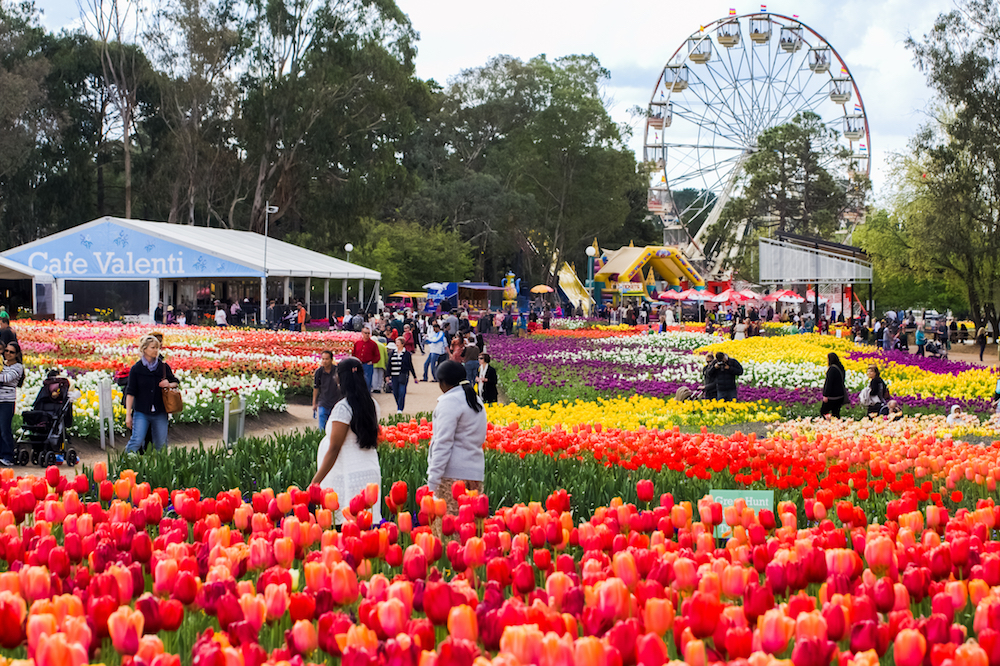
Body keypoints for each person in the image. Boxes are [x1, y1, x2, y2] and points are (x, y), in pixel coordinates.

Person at [311, 357, 381, 525]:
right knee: (365, 529)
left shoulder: (344, 407)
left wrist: (315, 483)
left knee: (347, 528)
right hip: (369, 470)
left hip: (347, 473)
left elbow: (334, 448)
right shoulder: (372, 404)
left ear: (340, 378)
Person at [427, 360, 487, 521]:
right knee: (470, 529)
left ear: (443, 382)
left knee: (449, 530)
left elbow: (442, 443)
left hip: (452, 476)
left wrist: (432, 480)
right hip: (474, 473)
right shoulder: (475, 400)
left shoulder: (449, 402)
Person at [124, 335, 179, 454]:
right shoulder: (137, 369)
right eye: (153, 347)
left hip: (160, 411)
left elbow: (176, 382)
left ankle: (160, 469)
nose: (156, 351)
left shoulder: (163, 367)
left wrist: (168, 384)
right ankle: (124, 465)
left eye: (157, 348)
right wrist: (128, 415)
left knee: (161, 444)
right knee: (136, 441)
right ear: (144, 349)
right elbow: (130, 392)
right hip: (141, 412)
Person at [0, 341, 25, 466]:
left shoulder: (18, 367)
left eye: (11, 352)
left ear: (17, 354)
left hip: (7, 402)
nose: (8, 354)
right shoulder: (2, 364)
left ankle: (8, 456)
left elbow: (6, 378)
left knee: (5, 429)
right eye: (6, 351)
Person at [312, 350, 342, 432]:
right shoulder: (319, 372)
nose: (324, 361)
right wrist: (314, 403)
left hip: (335, 402)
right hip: (323, 402)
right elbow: (316, 387)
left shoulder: (337, 371)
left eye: (327, 359)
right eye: (323, 359)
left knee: (333, 428)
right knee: (322, 428)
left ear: (331, 359)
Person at [388, 337, 418, 414]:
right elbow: (389, 365)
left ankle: (400, 408)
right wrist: (387, 375)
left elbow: (410, 365)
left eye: (398, 342)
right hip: (394, 375)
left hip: (403, 375)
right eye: (396, 342)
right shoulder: (392, 353)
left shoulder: (407, 354)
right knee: (395, 392)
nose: (396, 344)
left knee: (402, 391)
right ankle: (399, 404)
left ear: (402, 344)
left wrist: (415, 376)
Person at [821, 352, 846, 419]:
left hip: (832, 396)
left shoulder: (832, 369)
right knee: (836, 413)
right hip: (840, 395)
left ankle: (827, 426)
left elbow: (828, 383)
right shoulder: (841, 367)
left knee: (823, 412)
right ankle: (837, 426)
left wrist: (825, 395)